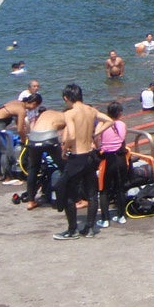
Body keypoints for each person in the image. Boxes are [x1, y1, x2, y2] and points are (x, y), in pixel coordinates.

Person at [54, 83, 113, 240]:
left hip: (77, 156)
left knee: (67, 191)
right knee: (92, 193)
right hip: (90, 155)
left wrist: (65, 149)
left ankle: (72, 229)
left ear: (67, 98)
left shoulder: (70, 113)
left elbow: (71, 135)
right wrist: (95, 133)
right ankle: (90, 228)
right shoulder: (91, 110)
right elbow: (109, 120)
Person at [0, 92, 41, 184]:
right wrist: (24, 140)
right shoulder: (22, 110)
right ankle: (8, 178)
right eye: (35, 107)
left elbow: (17, 121)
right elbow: (19, 129)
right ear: (34, 103)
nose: (33, 109)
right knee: (5, 150)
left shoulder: (16, 102)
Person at [21, 95, 63, 209]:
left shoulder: (43, 115)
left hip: (34, 139)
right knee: (63, 167)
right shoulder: (63, 116)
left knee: (33, 169)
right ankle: (72, 197)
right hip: (48, 139)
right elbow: (67, 135)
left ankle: (31, 201)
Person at [97, 101, 128, 229]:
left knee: (104, 189)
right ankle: (121, 216)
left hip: (107, 158)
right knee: (120, 187)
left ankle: (105, 219)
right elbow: (121, 140)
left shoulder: (101, 124)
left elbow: (97, 139)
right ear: (120, 113)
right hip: (120, 158)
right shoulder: (122, 124)